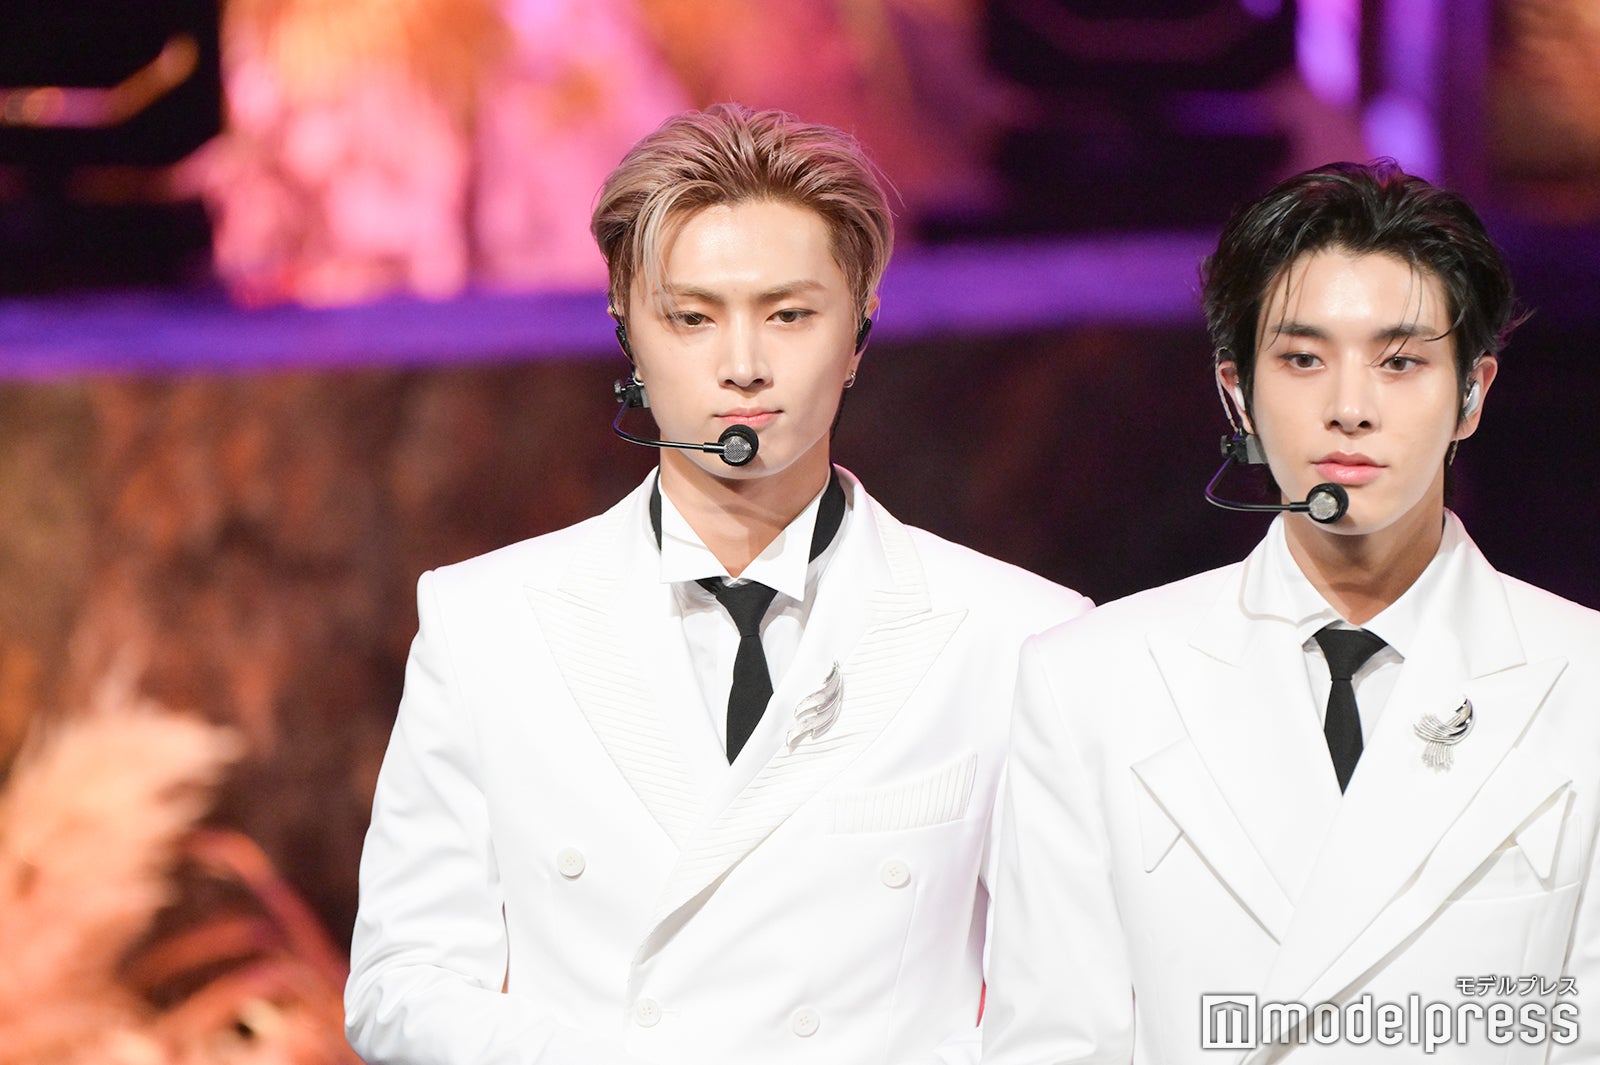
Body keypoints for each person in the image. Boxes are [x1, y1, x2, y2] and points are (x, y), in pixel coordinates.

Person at [344, 103, 1090, 1065]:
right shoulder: (486, 625)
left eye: (789, 315)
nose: (743, 366)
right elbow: (404, 981)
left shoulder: (1020, 637)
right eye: (692, 318)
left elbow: (1069, 1011)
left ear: (859, 333)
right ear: (628, 333)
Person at [982, 160, 1599, 1063]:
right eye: (1304, 359)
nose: (1349, 408)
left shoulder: (1584, 682)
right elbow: (1053, 1041)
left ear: (1473, 394)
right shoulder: (1089, 682)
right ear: (1237, 393)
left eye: (1400, 361)